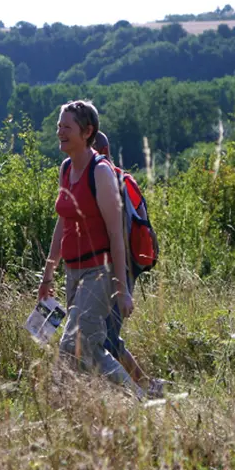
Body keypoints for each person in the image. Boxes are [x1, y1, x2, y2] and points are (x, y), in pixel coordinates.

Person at [38, 102, 143, 397]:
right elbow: (63, 223)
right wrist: (48, 274)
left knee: (76, 345)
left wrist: (122, 289)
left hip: (99, 273)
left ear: (87, 132)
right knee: (86, 349)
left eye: (66, 127)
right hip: (73, 272)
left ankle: (138, 398)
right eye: (59, 126)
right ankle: (81, 404)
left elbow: (116, 234)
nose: (60, 132)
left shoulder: (100, 173)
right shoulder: (66, 169)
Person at [91, 131, 163, 396]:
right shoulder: (124, 178)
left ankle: (143, 390)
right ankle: (144, 386)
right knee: (103, 336)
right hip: (127, 265)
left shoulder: (105, 181)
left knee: (107, 338)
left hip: (116, 268)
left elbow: (115, 234)